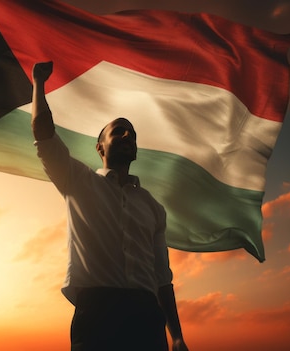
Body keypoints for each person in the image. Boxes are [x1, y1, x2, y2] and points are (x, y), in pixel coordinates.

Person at [31, 61, 189, 351]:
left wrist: (176, 335)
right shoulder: (77, 181)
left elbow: (162, 278)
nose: (128, 136)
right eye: (118, 132)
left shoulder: (153, 207)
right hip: (97, 315)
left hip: (147, 318)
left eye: (132, 134)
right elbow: (44, 135)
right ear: (100, 147)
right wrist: (38, 84)